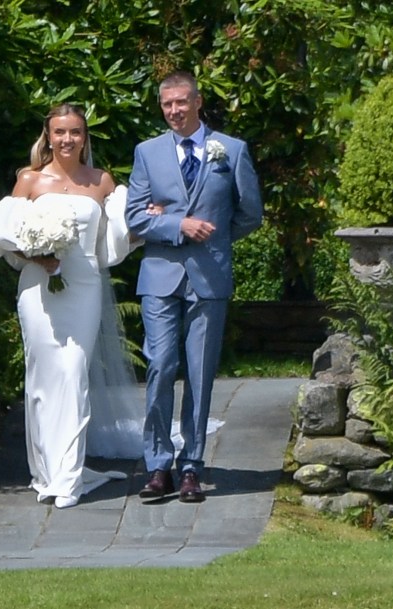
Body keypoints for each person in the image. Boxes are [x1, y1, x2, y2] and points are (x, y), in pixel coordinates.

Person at [0, 104, 142, 509]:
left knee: (73, 372)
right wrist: (34, 255)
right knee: (43, 376)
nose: (68, 140)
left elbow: (114, 240)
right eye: (60, 132)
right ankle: (46, 472)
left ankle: (68, 478)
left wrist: (145, 225)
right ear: (48, 137)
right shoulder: (29, 180)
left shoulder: (102, 182)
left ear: (85, 137)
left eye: (76, 132)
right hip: (38, 289)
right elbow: (1, 234)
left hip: (83, 286)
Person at [125, 71, 263, 503]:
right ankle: (157, 464)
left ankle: (192, 466)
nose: (174, 111)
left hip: (209, 277)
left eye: (181, 103)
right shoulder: (147, 153)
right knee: (161, 366)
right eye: (167, 104)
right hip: (161, 276)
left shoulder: (231, 150)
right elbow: (134, 217)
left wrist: (216, 239)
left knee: (200, 375)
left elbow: (250, 213)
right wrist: (177, 225)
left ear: (198, 102)